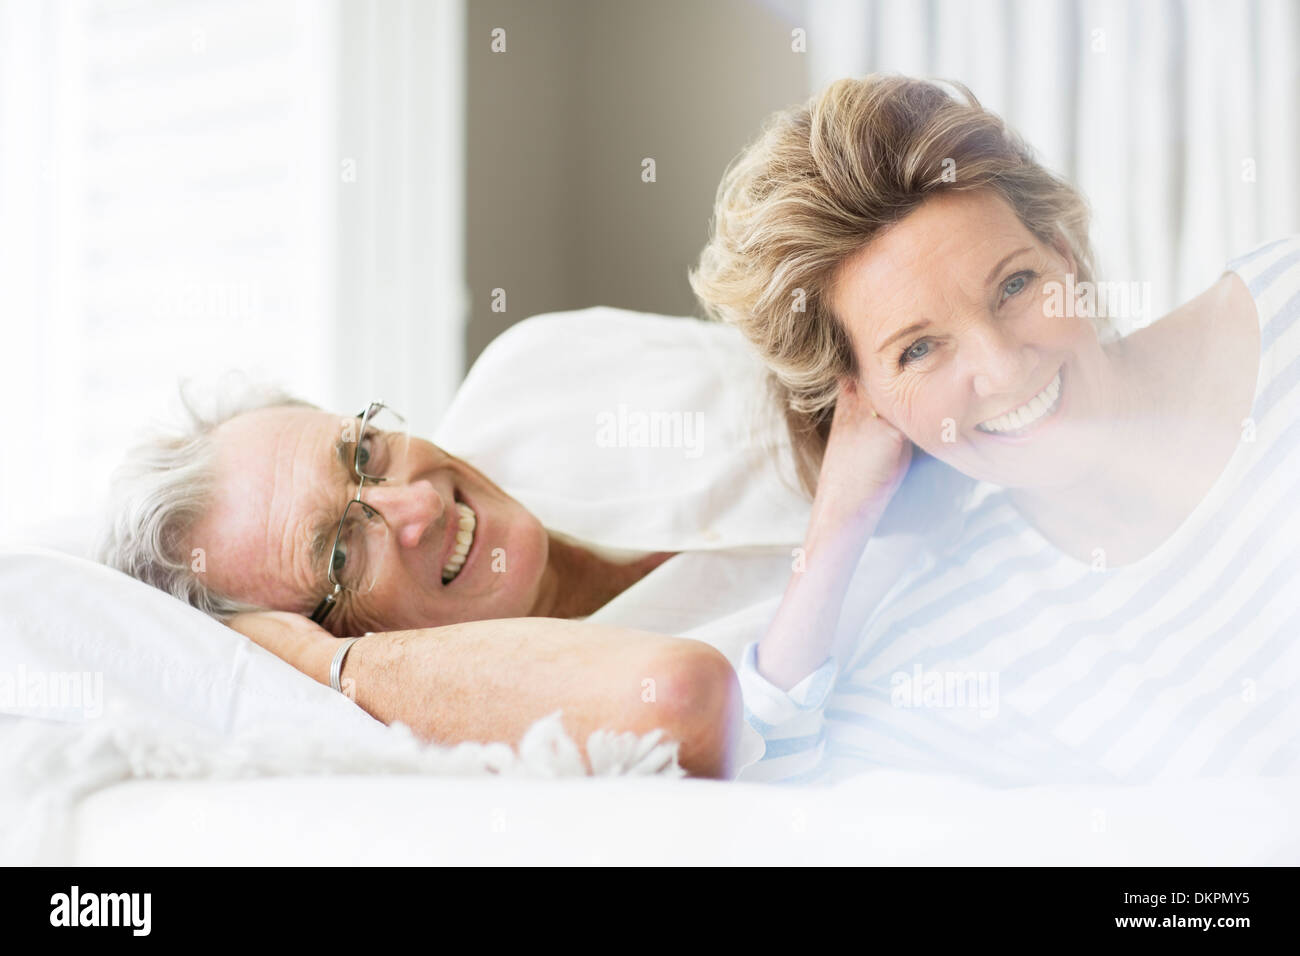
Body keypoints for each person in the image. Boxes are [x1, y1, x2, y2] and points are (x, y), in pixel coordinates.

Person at [690, 74, 1300, 785]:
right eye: (917, 350)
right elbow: (775, 805)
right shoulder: (957, 632)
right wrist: (834, 531)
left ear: (1063, 253)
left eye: (1014, 285)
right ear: (864, 402)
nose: (1004, 369)